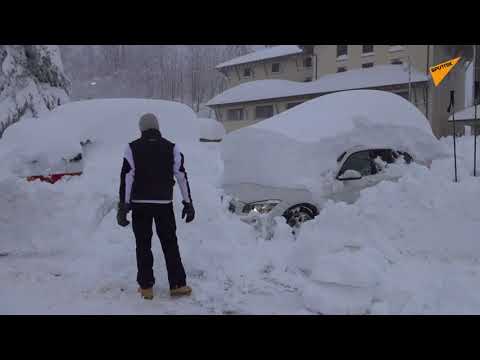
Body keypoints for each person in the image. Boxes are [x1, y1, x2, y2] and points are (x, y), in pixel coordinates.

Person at [116, 113, 195, 300]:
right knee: (170, 244)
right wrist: (188, 203)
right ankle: (177, 285)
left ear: (141, 129)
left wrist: (124, 205)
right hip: (164, 204)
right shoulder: (172, 148)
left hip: (140, 205)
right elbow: (181, 176)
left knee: (143, 244)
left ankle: (146, 287)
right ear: (158, 127)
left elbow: (127, 177)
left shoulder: (131, 148)